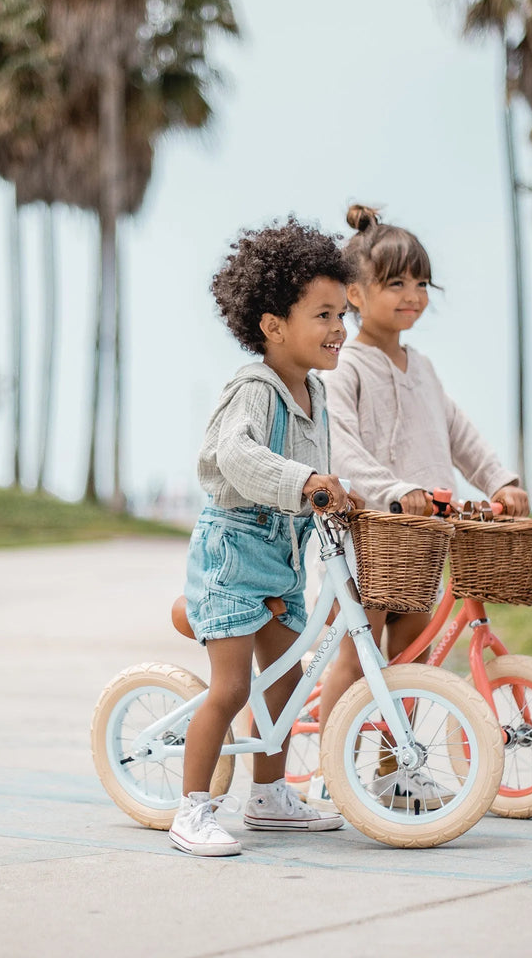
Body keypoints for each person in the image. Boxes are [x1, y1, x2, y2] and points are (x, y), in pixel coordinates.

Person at [310, 204, 529, 811]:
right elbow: (340, 445)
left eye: (420, 283)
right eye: (395, 283)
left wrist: (501, 479)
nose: (412, 295)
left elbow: (461, 436)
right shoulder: (345, 366)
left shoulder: (424, 369)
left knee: (408, 658)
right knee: (358, 655)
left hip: (421, 537)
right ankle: (334, 770)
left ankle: (391, 772)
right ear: (355, 293)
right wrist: (389, 490)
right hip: (365, 531)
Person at [170, 217, 356, 857]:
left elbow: (324, 470)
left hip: (282, 554)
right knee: (231, 687)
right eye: (324, 315)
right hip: (232, 549)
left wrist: (337, 497)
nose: (339, 328)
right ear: (274, 326)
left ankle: (269, 796)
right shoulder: (255, 389)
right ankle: (192, 809)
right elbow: (236, 457)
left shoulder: (317, 394)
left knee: (286, 679)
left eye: (342, 314)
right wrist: (308, 483)